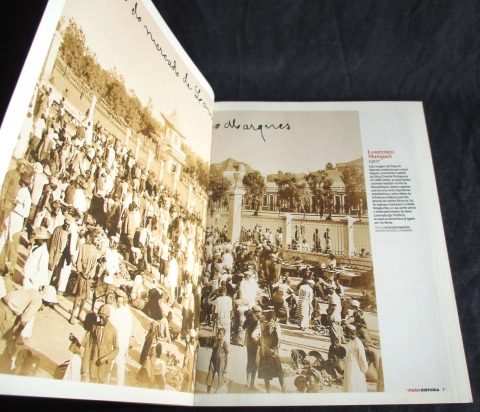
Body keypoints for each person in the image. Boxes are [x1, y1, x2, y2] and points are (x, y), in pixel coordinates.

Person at [81, 304, 119, 384]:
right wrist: (84, 371)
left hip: (104, 366)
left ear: (108, 317)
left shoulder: (113, 330)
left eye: (103, 317)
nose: (100, 320)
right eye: (100, 317)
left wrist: (105, 358)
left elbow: (116, 350)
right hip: (93, 364)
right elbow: (88, 348)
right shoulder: (94, 328)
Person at [70, 231, 100, 324]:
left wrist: (90, 274)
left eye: (89, 238)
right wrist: (81, 271)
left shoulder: (95, 250)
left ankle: (80, 313)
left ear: (92, 238)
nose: (87, 239)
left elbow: (94, 264)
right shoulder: (82, 247)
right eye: (86, 238)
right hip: (82, 275)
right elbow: (79, 259)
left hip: (88, 277)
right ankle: (72, 315)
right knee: (79, 295)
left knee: (85, 297)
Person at [108, 289, 133, 386]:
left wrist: (126, 345)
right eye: (118, 301)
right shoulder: (111, 308)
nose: (119, 303)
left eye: (121, 301)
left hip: (121, 341)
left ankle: (119, 384)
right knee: (110, 362)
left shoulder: (126, 310)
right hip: (112, 340)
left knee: (119, 363)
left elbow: (128, 328)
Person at [258, 311, 286, 393]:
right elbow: (279, 339)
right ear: (274, 318)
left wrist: (261, 343)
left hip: (264, 352)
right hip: (274, 353)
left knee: (266, 374)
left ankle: (268, 392)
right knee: (280, 373)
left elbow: (255, 335)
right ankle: (284, 392)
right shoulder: (276, 326)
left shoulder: (261, 325)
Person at [343, 325, 368, 392]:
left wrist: (364, 369)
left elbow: (362, 357)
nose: (347, 334)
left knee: (354, 383)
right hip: (349, 365)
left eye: (349, 332)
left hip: (356, 367)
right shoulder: (351, 341)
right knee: (349, 383)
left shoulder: (358, 343)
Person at [243, 305, 263, 391]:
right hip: (256, 344)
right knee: (256, 363)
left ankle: (248, 382)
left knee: (250, 362)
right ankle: (252, 383)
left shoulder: (249, 320)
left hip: (249, 344)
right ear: (257, 312)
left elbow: (244, 328)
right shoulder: (257, 322)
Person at [205, 328, 229, 394]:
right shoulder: (214, 341)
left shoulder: (225, 344)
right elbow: (211, 347)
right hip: (213, 360)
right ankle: (208, 393)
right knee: (209, 376)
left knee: (220, 379)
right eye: (218, 333)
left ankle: (219, 394)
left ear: (224, 335)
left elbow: (227, 356)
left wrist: (226, 368)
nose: (219, 335)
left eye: (220, 334)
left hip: (221, 362)